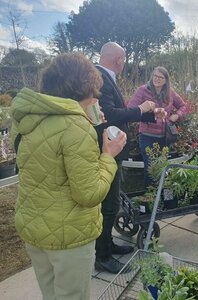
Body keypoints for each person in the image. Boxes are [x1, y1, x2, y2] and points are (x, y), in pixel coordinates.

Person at [10, 52, 127, 300]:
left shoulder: (30, 118)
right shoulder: (75, 126)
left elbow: (52, 161)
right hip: (69, 235)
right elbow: (89, 193)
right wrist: (108, 156)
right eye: (94, 90)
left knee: (50, 294)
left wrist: (88, 125)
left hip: (35, 227)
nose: (96, 96)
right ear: (84, 86)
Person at [94, 42, 165, 274]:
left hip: (113, 150)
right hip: (107, 151)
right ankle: (102, 256)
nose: (124, 64)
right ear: (119, 60)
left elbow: (115, 111)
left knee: (112, 203)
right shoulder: (101, 78)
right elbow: (110, 115)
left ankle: (107, 244)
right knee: (110, 204)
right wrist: (142, 108)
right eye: (123, 60)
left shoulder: (104, 76)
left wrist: (149, 112)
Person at [127, 66, 187, 187]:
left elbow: (183, 106)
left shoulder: (170, 92)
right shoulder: (143, 90)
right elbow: (131, 108)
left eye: (160, 77)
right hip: (147, 136)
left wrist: (176, 116)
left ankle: (161, 196)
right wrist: (148, 110)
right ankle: (149, 198)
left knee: (162, 168)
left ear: (166, 80)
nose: (157, 79)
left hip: (165, 137)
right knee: (150, 169)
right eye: (155, 76)